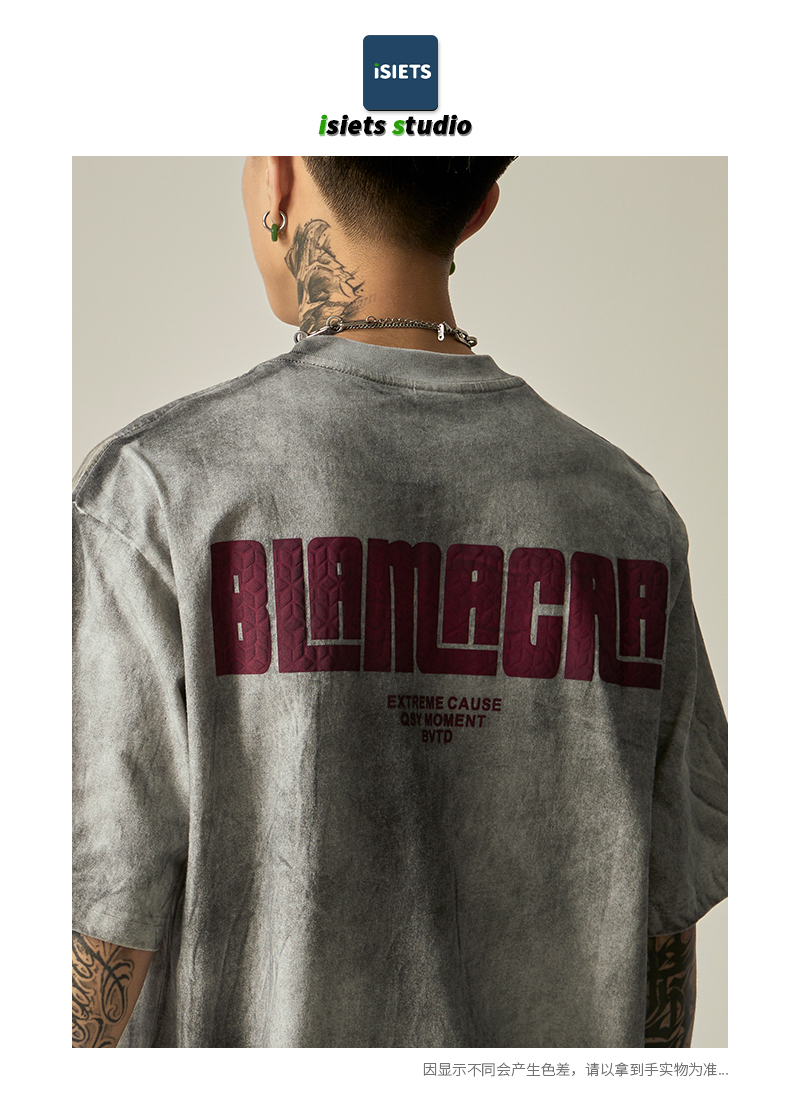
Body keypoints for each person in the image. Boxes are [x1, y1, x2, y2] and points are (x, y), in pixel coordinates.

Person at [72, 156, 727, 1048]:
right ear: (480, 209)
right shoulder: (629, 516)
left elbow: (100, 912)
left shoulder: (158, 495)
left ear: (276, 178)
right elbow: (663, 940)